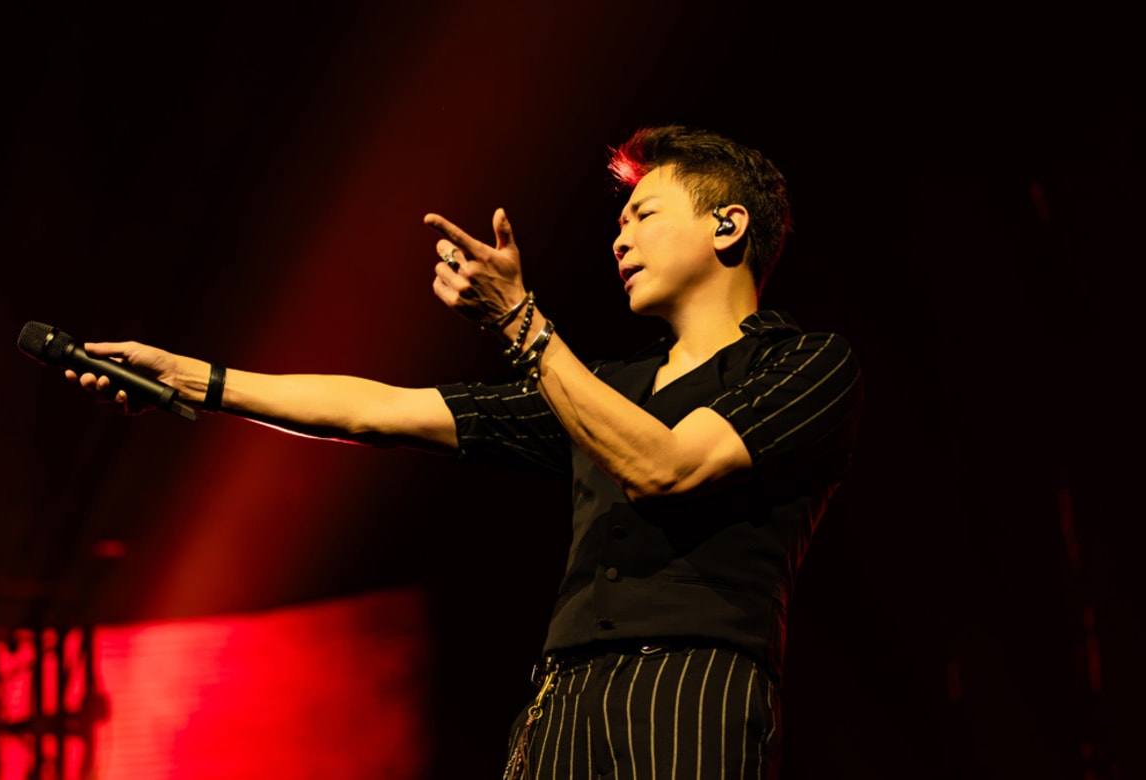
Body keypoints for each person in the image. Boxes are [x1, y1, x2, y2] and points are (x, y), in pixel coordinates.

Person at [66, 125, 863, 779]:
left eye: (643, 215)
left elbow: (669, 465)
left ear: (728, 225)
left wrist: (521, 322)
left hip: (691, 693)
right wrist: (195, 379)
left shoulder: (807, 365)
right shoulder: (601, 387)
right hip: (560, 702)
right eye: (619, 222)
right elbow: (381, 410)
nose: (619, 237)